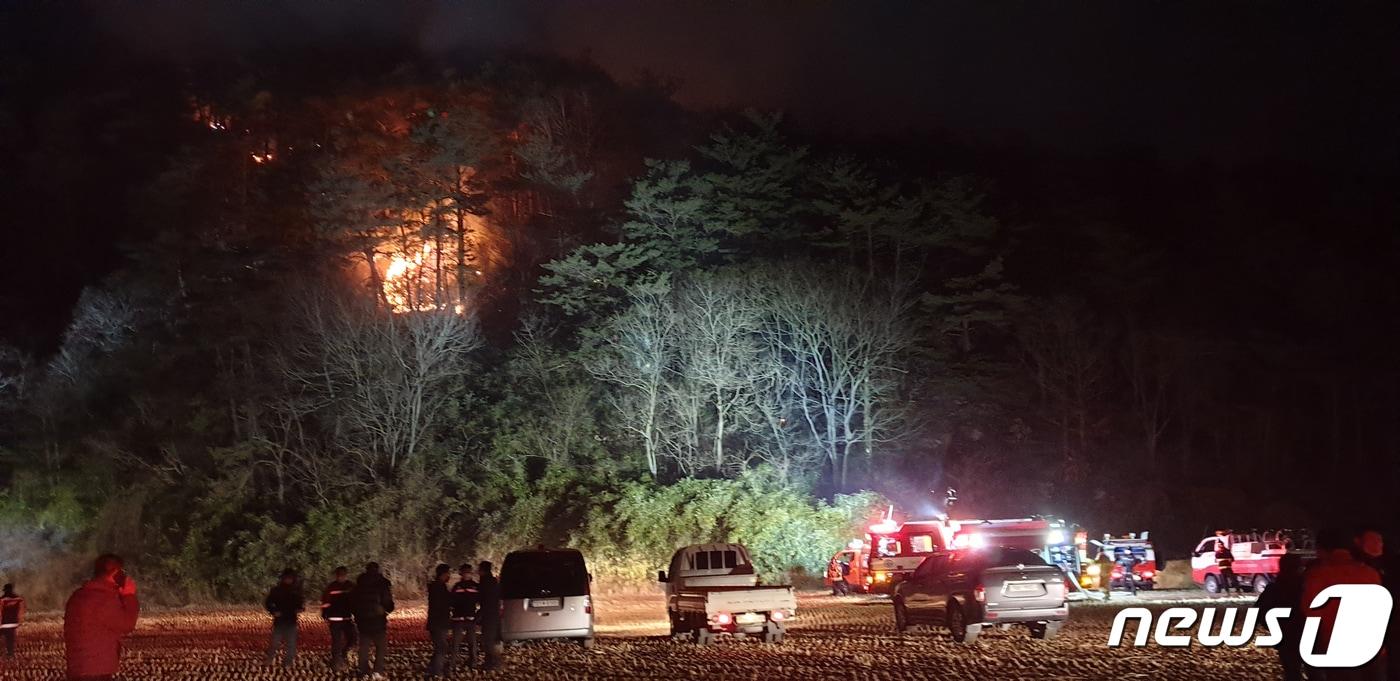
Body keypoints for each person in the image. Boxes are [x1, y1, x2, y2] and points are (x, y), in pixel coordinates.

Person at [1303, 527, 1383, 681]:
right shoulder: (1370, 573)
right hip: (1374, 648)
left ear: (1322, 549)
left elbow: (1310, 612)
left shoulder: (1318, 575)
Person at [64, 553, 140, 681]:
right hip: (96, 669)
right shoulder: (103, 598)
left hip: (77, 667)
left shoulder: (78, 595)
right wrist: (129, 596)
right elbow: (127, 624)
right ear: (115, 572)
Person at [1257, 552, 1306, 681]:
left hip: (1285, 636)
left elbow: (1259, 611)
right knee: (1316, 673)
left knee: (1291, 672)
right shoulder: (1306, 586)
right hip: (1308, 633)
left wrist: (1274, 628)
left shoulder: (1274, 588)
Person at [351, 562, 395, 679]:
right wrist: (387, 610)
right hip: (378, 620)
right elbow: (387, 602)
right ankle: (378, 671)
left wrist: (357, 615)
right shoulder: (382, 584)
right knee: (381, 646)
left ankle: (363, 671)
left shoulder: (359, 585)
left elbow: (353, 602)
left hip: (363, 621)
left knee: (364, 647)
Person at [264, 568, 304, 668]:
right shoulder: (276, 590)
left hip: (291, 620)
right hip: (279, 620)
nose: (288, 580)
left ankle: (288, 662)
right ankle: (270, 659)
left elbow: (300, 604)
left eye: (290, 578)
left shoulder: (296, 591)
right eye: (286, 578)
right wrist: (273, 611)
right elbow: (268, 602)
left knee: (291, 643)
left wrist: (299, 609)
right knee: (275, 642)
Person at [320, 566, 357, 672]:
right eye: (339, 575)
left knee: (353, 639)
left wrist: (355, 612)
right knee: (336, 642)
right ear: (336, 576)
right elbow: (325, 602)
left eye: (343, 575)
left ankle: (344, 654)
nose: (341, 577)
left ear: (346, 575)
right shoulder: (331, 587)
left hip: (347, 618)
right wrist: (325, 613)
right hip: (335, 619)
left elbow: (355, 601)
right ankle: (336, 663)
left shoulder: (351, 586)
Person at [449, 563, 479, 673]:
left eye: (468, 572)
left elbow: (479, 601)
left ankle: (473, 662)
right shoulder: (457, 587)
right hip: (458, 618)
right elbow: (451, 601)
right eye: (465, 572)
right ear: (461, 573)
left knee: (472, 642)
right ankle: (452, 663)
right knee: (455, 643)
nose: (466, 574)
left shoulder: (475, 586)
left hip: (470, 618)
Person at [425, 563, 453, 678]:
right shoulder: (439, 588)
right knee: (442, 647)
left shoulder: (436, 587)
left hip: (436, 622)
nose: (449, 576)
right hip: (439, 623)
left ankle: (433, 669)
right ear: (443, 574)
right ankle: (437, 672)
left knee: (440, 647)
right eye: (448, 574)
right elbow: (442, 604)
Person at [476, 561, 503, 671]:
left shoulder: (485, 582)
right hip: (494, 614)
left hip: (488, 615)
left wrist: (479, 614)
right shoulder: (493, 582)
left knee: (488, 640)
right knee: (491, 639)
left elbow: (485, 600)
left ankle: (493, 663)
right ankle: (492, 662)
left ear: (482, 570)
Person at [1, 583, 26, 657]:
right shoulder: (18, 599)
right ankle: (10, 654)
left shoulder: (2, 600)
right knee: (10, 640)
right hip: (13, 624)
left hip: (3, 624)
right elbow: (21, 611)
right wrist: (19, 621)